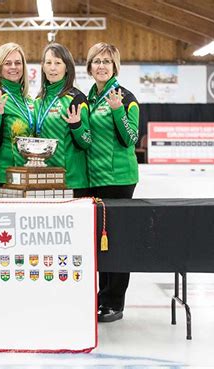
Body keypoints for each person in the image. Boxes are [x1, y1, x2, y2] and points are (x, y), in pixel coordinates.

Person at [86, 42, 140, 322]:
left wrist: (118, 110)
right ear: (90, 66)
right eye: (97, 61)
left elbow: (130, 138)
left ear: (115, 66)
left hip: (118, 179)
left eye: (107, 61)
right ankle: (100, 295)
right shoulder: (91, 97)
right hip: (93, 179)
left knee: (115, 242)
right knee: (98, 242)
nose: (102, 65)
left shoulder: (126, 97)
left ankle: (114, 300)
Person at [34, 43, 91, 196]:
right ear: (43, 67)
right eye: (48, 63)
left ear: (67, 68)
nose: (52, 68)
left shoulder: (76, 99)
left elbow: (86, 142)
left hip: (72, 181)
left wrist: (77, 126)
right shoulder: (39, 101)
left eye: (58, 63)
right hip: (44, 180)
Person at [0, 43, 33, 197]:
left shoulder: (28, 100)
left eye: (18, 63)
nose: (13, 67)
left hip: (24, 178)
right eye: (7, 63)